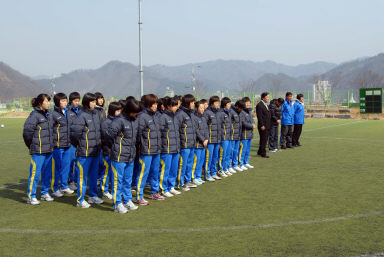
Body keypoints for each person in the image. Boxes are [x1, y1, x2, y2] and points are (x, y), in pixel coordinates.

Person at [107, 98, 141, 213]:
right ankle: (117, 204)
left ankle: (127, 200)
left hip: (130, 155)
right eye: (135, 111)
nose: (137, 114)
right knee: (117, 181)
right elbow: (108, 135)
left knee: (128, 180)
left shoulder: (135, 120)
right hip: (119, 156)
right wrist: (116, 147)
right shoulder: (119, 120)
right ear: (129, 110)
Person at [71, 92, 103, 208]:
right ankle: (80, 200)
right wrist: (80, 145)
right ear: (86, 102)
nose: (95, 103)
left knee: (94, 176)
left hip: (95, 151)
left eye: (95, 101)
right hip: (84, 152)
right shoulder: (81, 115)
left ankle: (93, 196)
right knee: (82, 177)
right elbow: (74, 134)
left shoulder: (96, 114)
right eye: (93, 101)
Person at [23, 94, 54, 205]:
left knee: (47, 173)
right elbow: (27, 132)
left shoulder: (49, 114)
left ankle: (45, 193)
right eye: (47, 101)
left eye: (49, 101)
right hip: (38, 150)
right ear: (40, 103)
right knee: (35, 174)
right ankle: (31, 197)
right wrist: (31, 146)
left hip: (49, 150)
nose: (48, 103)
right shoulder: (34, 115)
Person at [134, 94, 164, 205]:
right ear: (148, 104)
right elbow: (138, 134)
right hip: (146, 151)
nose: (156, 106)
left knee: (155, 172)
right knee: (143, 174)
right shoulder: (142, 116)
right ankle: (139, 196)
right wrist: (141, 146)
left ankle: (154, 192)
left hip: (156, 150)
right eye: (153, 104)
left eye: (157, 103)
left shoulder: (156, 116)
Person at [51, 93, 73, 198]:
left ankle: (64, 186)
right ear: (57, 102)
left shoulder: (68, 112)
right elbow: (50, 129)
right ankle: (54, 189)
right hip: (57, 146)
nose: (65, 103)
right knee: (57, 168)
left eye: (66, 100)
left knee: (66, 167)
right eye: (62, 101)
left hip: (67, 144)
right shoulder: (53, 114)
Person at [158, 96, 181, 197]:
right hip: (166, 148)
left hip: (175, 147)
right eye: (174, 105)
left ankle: (171, 187)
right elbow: (160, 133)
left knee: (173, 169)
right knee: (165, 170)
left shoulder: (175, 116)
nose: (176, 107)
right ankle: (163, 189)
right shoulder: (163, 117)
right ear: (168, 106)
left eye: (177, 105)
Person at [100, 102, 123, 200]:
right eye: (118, 111)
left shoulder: (119, 121)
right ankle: (104, 191)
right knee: (106, 172)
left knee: (115, 173)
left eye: (120, 110)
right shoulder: (106, 122)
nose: (119, 112)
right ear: (112, 111)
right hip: (108, 150)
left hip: (116, 151)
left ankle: (115, 190)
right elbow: (106, 137)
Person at [175, 94, 198, 190]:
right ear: (188, 103)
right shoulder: (180, 114)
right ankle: (180, 183)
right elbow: (177, 129)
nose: (193, 104)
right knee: (182, 164)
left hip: (191, 143)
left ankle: (187, 180)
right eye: (192, 102)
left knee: (189, 163)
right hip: (184, 144)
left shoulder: (192, 113)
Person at [203, 96, 222, 181]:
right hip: (210, 140)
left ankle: (213, 173)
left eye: (218, 102)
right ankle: (207, 174)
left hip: (217, 139)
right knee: (208, 158)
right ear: (212, 103)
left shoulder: (218, 112)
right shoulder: (207, 112)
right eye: (216, 102)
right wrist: (207, 138)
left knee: (215, 157)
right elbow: (205, 127)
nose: (218, 104)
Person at [191, 101, 209, 185]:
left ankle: (198, 176)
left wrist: (207, 139)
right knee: (196, 161)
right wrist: (203, 139)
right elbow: (196, 131)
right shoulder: (194, 118)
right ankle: (193, 177)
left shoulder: (203, 118)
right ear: (196, 108)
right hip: (197, 144)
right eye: (201, 108)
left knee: (201, 161)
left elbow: (206, 129)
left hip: (203, 144)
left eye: (203, 107)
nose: (203, 109)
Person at [67, 91, 81, 191]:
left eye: (78, 101)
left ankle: (76, 180)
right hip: (71, 141)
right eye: (75, 101)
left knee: (78, 162)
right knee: (70, 162)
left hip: (79, 141)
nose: (77, 103)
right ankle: (70, 181)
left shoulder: (81, 110)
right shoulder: (67, 111)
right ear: (71, 101)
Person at [239, 97, 256, 170]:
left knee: (247, 150)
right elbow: (243, 123)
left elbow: (252, 120)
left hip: (250, 134)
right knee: (242, 150)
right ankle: (240, 163)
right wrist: (251, 126)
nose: (249, 104)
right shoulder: (242, 112)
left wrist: (253, 124)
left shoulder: (248, 112)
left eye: (249, 103)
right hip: (244, 134)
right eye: (247, 103)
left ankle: (246, 162)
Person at [217, 97, 233, 177]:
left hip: (229, 137)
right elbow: (219, 126)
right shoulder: (221, 113)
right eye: (228, 104)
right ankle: (220, 169)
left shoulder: (229, 113)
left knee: (227, 154)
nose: (230, 105)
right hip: (223, 138)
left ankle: (225, 168)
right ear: (224, 104)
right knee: (222, 155)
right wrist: (221, 136)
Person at [229, 100, 245, 173]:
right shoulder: (231, 112)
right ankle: (229, 166)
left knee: (236, 151)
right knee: (230, 151)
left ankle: (235, 165)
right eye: (240, 108)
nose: (241, 110)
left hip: (238, 135)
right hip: (232, 136)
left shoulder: (240, 112)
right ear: (237, 106)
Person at [256, 92, 271, 158]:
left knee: (264, 139)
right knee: (264, 139)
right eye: (267, 97)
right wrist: (262, 125)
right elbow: (259, 116)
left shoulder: (266, 104)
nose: (268, 98)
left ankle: (259, 151)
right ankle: (263, 153)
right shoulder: (259, 105)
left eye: (268, 97)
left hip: (267, 125)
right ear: (263, 98)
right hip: (263, 125)